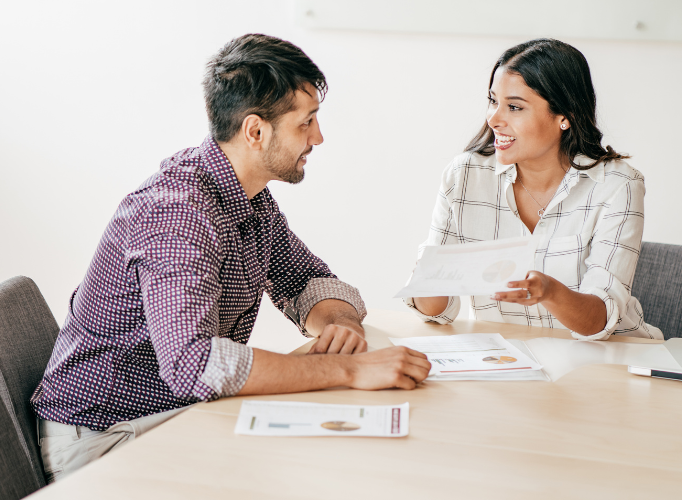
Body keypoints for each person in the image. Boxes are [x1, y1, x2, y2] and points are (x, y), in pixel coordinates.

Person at [31, 34, 431, 482]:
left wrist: (341, 324)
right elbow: (193, 365)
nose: (319, 137)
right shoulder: (177, 212)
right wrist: (348, 369)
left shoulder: (248, 196)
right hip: (105, 439)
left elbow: (305, 279)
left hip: (176, 414)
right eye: (307, 122)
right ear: (256, 131)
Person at [407, 39, 662, 342]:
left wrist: (550, 292)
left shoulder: (618, 185)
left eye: (514, 107)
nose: (494, 119)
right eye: (493, 101)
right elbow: (436, 311)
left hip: (613, 357)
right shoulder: (465, 174)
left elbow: (598, 322)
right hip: (510, 360)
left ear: (564, 116)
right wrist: (430, 277)